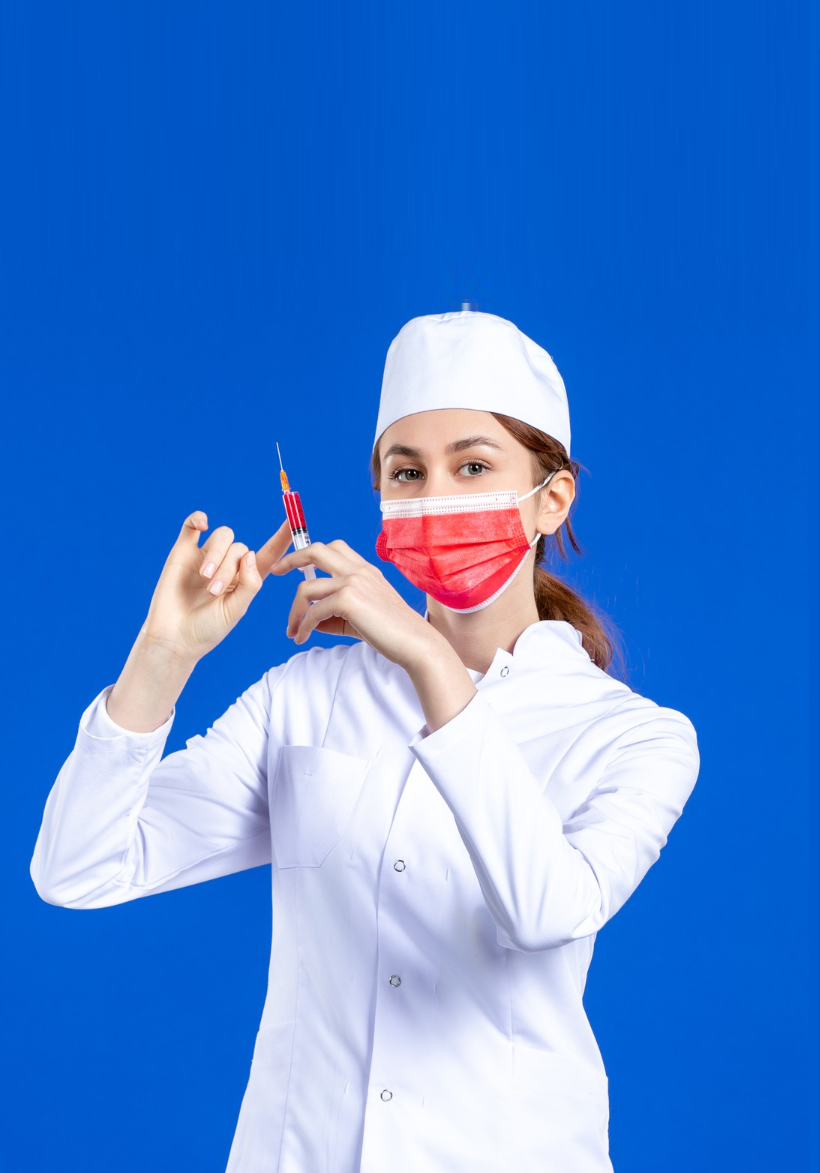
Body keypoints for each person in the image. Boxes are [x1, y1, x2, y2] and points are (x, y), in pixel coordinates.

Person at [30, 310, 700, 1173]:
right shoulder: (302, 699)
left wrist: (425, 655)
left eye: (473, 466)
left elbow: (546, 911)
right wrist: (163, 657)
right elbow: (77, 868)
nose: (436, 497)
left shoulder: (633, 736)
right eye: (407, 471)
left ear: (553, 497)